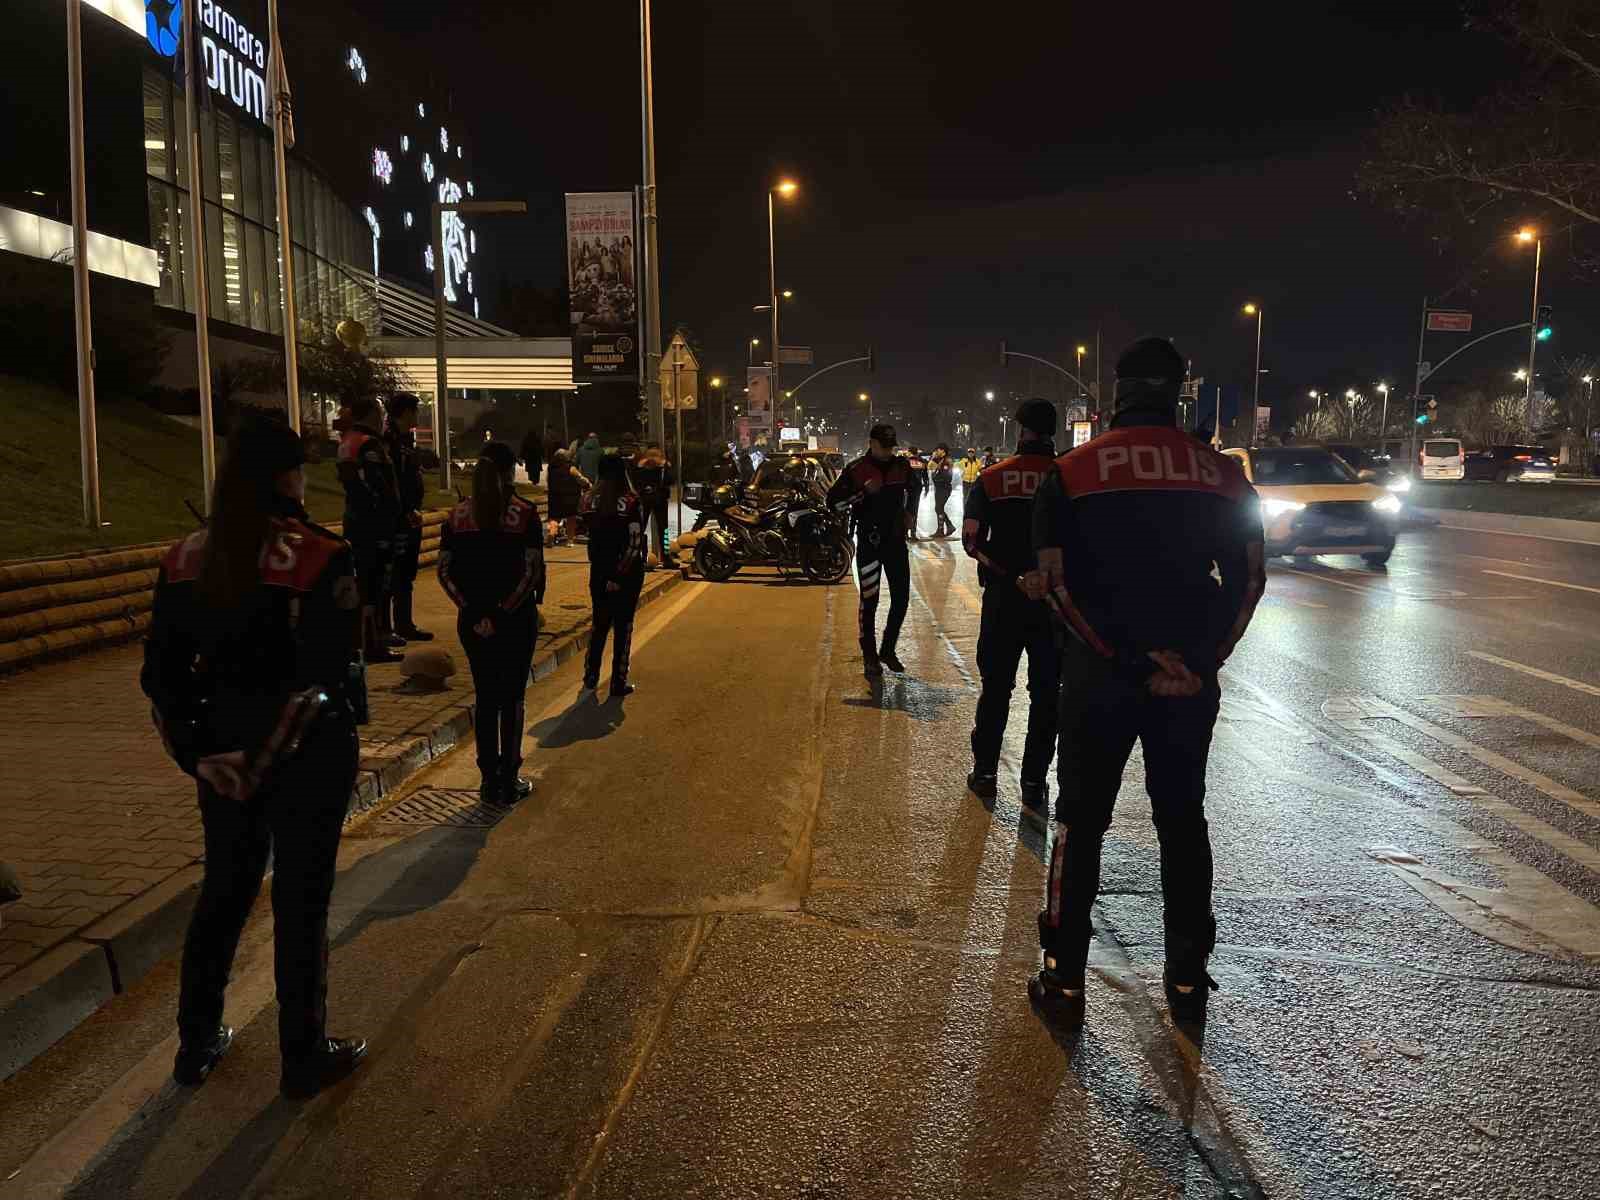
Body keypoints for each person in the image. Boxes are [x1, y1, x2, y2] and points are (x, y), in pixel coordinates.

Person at [1028, 337, 1265, 1024]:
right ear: (1179, 390)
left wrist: (1123, 659)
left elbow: (1059, 586)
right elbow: (1249, 581)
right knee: (1182, 822)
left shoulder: (1071, 473)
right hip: (1188, 683)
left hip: (1100, 676)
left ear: (1118, 389)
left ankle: (1063, 978)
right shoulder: (1223, 475)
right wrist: (1200, 662)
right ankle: (1188, 978)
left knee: (1080, 823)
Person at [142, 410, 367, 1099]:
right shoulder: (322, 556)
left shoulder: (186, 558)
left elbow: (161, 677)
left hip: (222, 760)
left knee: (224, 895)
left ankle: (196, 1042)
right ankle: (303, 1054)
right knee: (301, 905)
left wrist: (206, 756)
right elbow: (330, 678)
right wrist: (266, 759)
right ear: (287, 477)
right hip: (306, 754)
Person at [963, 401, 1060, 819]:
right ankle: (1035, 782)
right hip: (1054, 605)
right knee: (1046, 695)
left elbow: (971, 542)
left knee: (997, 689)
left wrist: (1012, 575)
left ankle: (985, 772)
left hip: (1004, 600)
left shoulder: (991, 478)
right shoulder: (1069, 477)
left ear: (1020, 429)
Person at [438, 443, 545, 806]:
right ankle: (508, 778)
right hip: (515, 621)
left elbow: (444, 572)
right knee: (512, 697)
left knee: (485, 697)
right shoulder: (524, 514)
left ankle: (487, 780)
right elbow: (531, 572)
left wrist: (473, 612)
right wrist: (502, 612)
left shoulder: (457, 516)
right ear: (509, 469)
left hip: (472, 624)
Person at [827, 423, 917, 678]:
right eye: (883, 447)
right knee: (870, 601)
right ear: (872, 443)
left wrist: (911, 513)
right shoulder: (856, 470)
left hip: (896, 543)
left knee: (901, 599)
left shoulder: (902, 466)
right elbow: (833, 504)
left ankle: (888, 649)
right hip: (870, 543)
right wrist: (862, 493)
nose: (888, 452)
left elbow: (916, 488)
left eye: (891, 447)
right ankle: (870, 656)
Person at [336, 395, 403, 663]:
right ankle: (372, 644)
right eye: (379, 412)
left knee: (365, 584)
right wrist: (389, 519)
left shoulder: (347, 441)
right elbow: (380, 487)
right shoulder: (369, 443)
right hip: (374, 527)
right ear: (371, 414)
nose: (382, 417)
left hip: (356, 522)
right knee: (374, 585)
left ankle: (366, 640)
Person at [582, 454, 646, 699]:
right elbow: (634, 543)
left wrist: (606, 574)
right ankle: (618, 681)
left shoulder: (588, 500)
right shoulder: (631, 501)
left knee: (599, 624)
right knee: (623, 627)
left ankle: (591, 674)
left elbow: (588, 536)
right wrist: (619, 575)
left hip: (597, 571)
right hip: (627, 573)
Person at [383, 393, 433, 643]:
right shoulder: (389, 442)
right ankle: (391, 627)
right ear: (404, 412)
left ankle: (404, 623)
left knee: (406, 574)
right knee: (397, 574)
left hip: (411, 515)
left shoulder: (405, 440)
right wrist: (404, 510)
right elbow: (392, 482)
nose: (417, 415)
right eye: (415, 410)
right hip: (399, 518)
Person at [632, 441, 674, 567]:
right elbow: (670, 481)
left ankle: (638, 556)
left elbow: (635, 482)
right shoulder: (663, 466)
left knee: (640, 528)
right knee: (664, 530)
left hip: (645, 500)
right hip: (660, 500)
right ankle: (666, 557)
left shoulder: (641, 466)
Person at [546, 448, 589, 545]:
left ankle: (552, 534)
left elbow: (548, 481)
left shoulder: (551, 468)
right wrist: (588, 484)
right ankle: (570, 540)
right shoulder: (571, 468)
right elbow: (581, 479)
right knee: (571, 518)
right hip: (570, 497)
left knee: (554, 518)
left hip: (554, 497)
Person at [929, 444, 955, 537]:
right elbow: (931, 468)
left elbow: (946, 475)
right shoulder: (941, 460)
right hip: (940, 487)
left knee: (938, 508)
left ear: (943, 451)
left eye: (938, 450)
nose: (936, 452)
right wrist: (934, 458)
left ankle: (942, 529)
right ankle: (948, 526)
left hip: (944, 487)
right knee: (939, 508)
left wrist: (937, 475)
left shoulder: (947, 460)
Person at [903, 445, 928, 540]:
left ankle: (905, 533)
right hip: (918, 488)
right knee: (915, 510)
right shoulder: (922, 461)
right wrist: (926, 488)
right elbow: (925, 476)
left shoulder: (906, 461)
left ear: (910, 452)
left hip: (907, 488)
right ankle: (913, 533)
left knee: (906, 510)